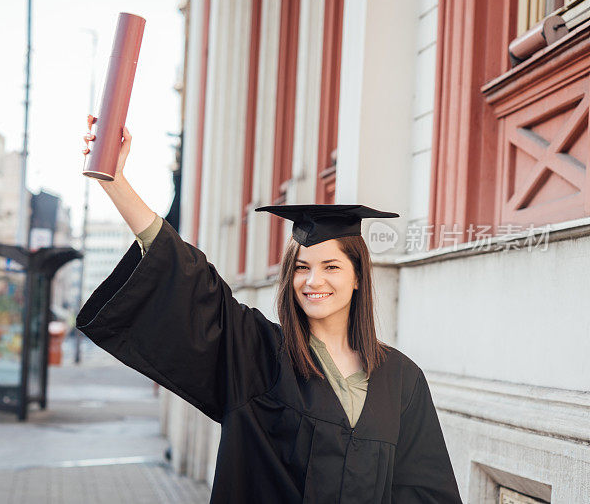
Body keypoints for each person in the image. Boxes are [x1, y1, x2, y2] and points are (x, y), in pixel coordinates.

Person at [77, 116, 462, 503]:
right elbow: (194, 283)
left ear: (358, 276)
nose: (313, 282)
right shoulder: (259, 354)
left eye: (331, 267)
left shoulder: (402, 379)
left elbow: (425, 491)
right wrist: (118, 183)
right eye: (301, 268)